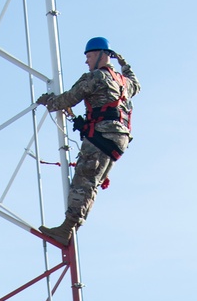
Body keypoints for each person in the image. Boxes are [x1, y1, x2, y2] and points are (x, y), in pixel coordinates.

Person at [34, 37, 140, 247]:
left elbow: (65, 100)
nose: (87, 61)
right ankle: (71, 227)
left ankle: (67, 228)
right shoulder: (123, 82)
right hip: (118, 140)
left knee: (83, 182)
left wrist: (48, 100)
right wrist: (122, 61)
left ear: (101, 55)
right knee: (91, 182)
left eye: (89, 56)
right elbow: (135, 82)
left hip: (102, 136)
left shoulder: (94, 78)